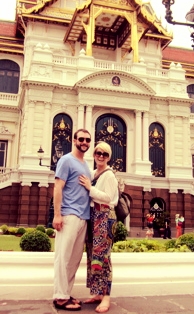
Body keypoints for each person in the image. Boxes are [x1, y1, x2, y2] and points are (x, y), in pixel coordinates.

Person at [52, 129, 92, 311]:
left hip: (83, 217)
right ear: (74, 140)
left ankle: (65, 293)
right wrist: (57, 215)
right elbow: (58, 187)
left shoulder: (85, 164)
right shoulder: (66, 160)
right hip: (69, 215)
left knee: (74, 259)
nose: (84, 142)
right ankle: (60, 297)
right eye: (81, 139)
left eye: (87, 140)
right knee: (63, 257)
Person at [79, 141, 119, 313]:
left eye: (105, 154)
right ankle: (97, 293)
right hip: (93, 216)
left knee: (104, 257)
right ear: (94, 155)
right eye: (98, 153)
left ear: (109, 157)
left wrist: (90, 188)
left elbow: (109, 198)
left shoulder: (109, 175)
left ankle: (107, 296)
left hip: (105, 216)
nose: (101, 156)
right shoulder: (93, 173)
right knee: (93, 256)